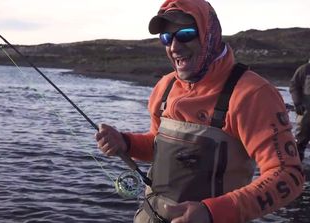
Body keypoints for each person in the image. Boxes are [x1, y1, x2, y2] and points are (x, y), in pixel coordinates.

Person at [95, 0, 304, 222]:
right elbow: (159, 147)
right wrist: (126, 143)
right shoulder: (165, 87)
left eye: (185, 33)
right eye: (167, 37)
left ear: (210, 33)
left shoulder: (252, 94)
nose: (174, 46)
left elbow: (288, 176)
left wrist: (213, 212)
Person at [289, 58, 310, 162]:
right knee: (301, 138)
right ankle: (296, 164)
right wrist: (297, 103)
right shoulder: (304, 70)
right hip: (306, 112)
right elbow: (294, 86)